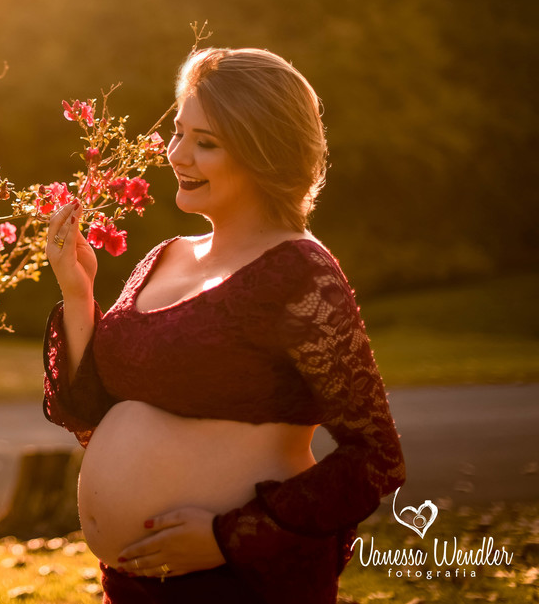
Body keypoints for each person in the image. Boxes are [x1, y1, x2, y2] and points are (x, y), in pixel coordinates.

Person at [42, 48, 406, 604]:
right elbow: (89, 411)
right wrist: (77, 292)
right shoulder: (165, 257)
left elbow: (376, 458)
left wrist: (227, 538)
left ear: (267, 155)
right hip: (131, 584)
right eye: (179, 133)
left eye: (205, 142)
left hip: (240, 583)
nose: (177, 155)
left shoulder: (299, 274)